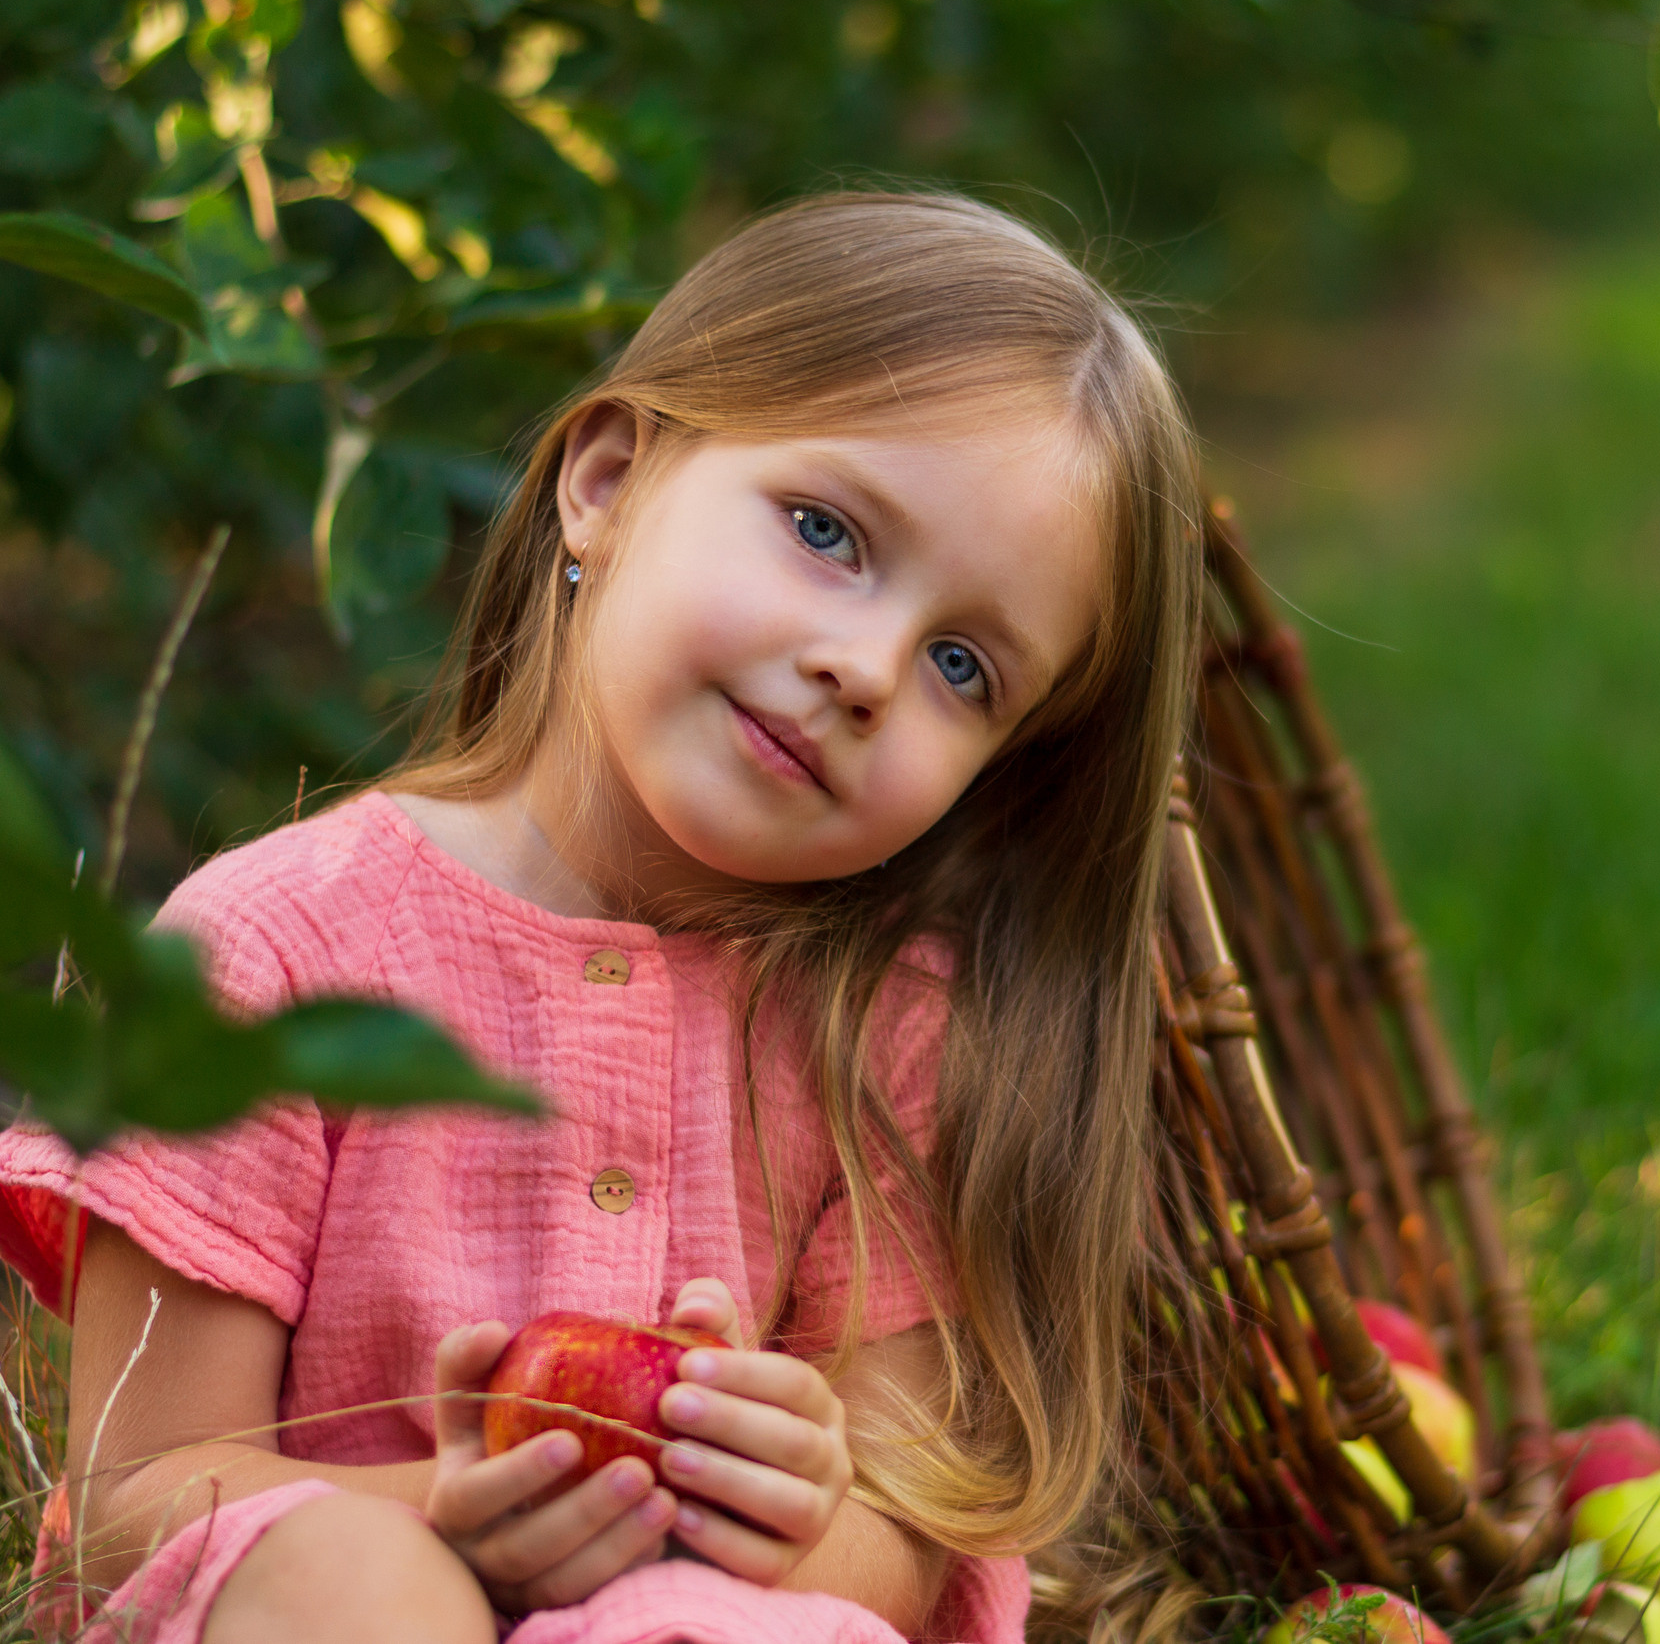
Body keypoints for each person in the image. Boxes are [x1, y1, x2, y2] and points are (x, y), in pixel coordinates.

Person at [0, 190, 1202, 1644]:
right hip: (347, 1607)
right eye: (826, 531)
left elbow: (915, 1540)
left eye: (964, 667)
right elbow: (132, 1491)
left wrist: (796, 1518)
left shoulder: (896, 1036)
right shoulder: (274, 951)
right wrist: (442, 1511)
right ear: (611, 480)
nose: (868, 668)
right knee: (348, 1580)